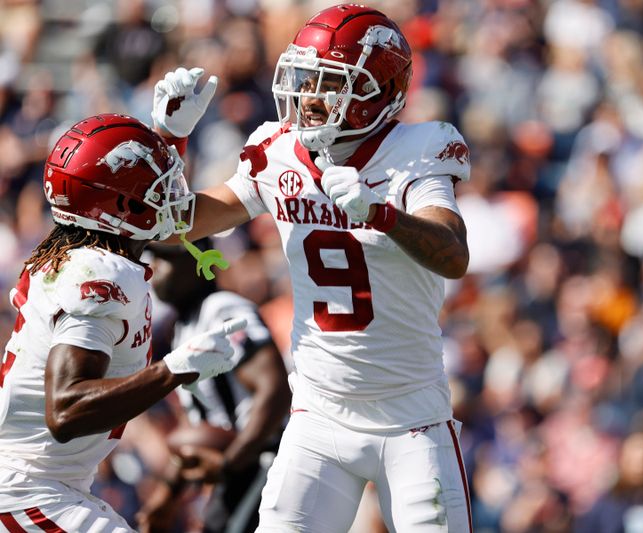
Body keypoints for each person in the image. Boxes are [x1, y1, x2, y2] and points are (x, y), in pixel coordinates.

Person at [151, 4, 473, 531]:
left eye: (329, 83)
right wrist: (169, 144)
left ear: (379, 92)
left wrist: (382, 215)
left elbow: (453, 253)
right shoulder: (278, 150)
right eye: (305, 78)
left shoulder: (416, 151)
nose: (309, 96)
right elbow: (175, 225)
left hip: (411, 417)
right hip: (318, 412)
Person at [0, 113, 244, 531]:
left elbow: (135, 210)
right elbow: (67, 410)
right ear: (122, 205)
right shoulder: (101, 273)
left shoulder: (74, 247)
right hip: (28, 487)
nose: (174, 195)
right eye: (159, 187)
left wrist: (169, 139)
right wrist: (173, 370)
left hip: (45, 482)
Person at [137, 240, 291, 533]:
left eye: (165, 258)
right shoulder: (184, 325)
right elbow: (198, 423)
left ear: (198, 263)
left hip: (263, 462)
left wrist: (228, 464)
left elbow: (275, 392)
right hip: (240, 468)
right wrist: (169, 493)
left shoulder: (221, 309)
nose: (153, 267)